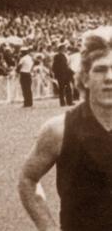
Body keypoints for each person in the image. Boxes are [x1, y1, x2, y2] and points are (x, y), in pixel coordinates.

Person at [18, 26, 112, 231]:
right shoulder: (59, 129)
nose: (109, 77)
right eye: (100, 69)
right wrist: (48, 228)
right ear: (85, 78)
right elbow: (27, 179)